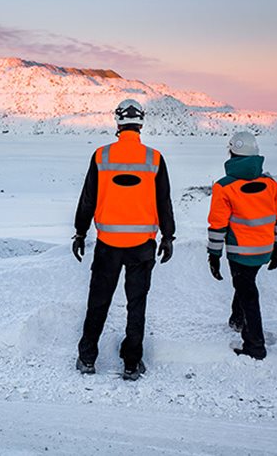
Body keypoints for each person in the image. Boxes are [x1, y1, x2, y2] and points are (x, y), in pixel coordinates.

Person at [72, 99, 175, 380]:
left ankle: (88, 358)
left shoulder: (101, 156)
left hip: (108, 246)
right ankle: (131, 363)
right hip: (142, 247)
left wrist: (80, 232)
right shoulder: (154, 158)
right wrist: (168, 235)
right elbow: (163, 201)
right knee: (136, 305)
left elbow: (88, 200)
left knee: (98, 302)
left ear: (117, 123)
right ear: (140, 123)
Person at [207, 131, 277, 360]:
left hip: (239, 252)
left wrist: (213, 254)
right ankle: (236, 319)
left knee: (247, 291)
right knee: (245, 282)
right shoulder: (271, 184)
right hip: (264, 251)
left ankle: (255, 346)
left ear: (232, 153)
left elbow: (218, 224)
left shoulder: (224, 187)